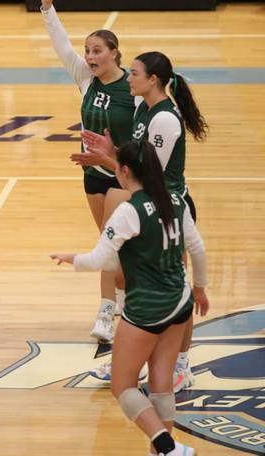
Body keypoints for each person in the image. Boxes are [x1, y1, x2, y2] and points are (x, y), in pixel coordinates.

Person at [51, 140, 209, 456]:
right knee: (162, 383)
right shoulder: (176, 199)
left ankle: (167, 447)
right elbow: (198, 249)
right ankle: (163, 450)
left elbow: (101, 262)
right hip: (179, 301)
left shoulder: (129, 210)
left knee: (122, 385)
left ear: (124, 172)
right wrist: (200, 289)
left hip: (148, 308)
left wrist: (72, 258)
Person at [79, 50, 209, 390]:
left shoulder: (165, 119)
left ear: (153, 80)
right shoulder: (142, 108)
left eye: (134, 73)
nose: (129, 78)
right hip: (148, 207)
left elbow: (148, 175)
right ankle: (129, 361)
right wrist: (112, 153)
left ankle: (181, 365)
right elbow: (137, 162)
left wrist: (108, 160)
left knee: (176, 286)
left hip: (170, 210)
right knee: (131, 280)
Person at [40, 0, 137, 342]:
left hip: (123, 176)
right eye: (88, 50)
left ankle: (122, 311)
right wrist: (47, 7)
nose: (90, 56)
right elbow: (60, 45)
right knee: (106, 243)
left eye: (97, 51)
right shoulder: (85, 78)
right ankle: (108, 312)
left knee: (117, 244)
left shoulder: (134, 87)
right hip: (93, 175)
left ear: (114, 53)